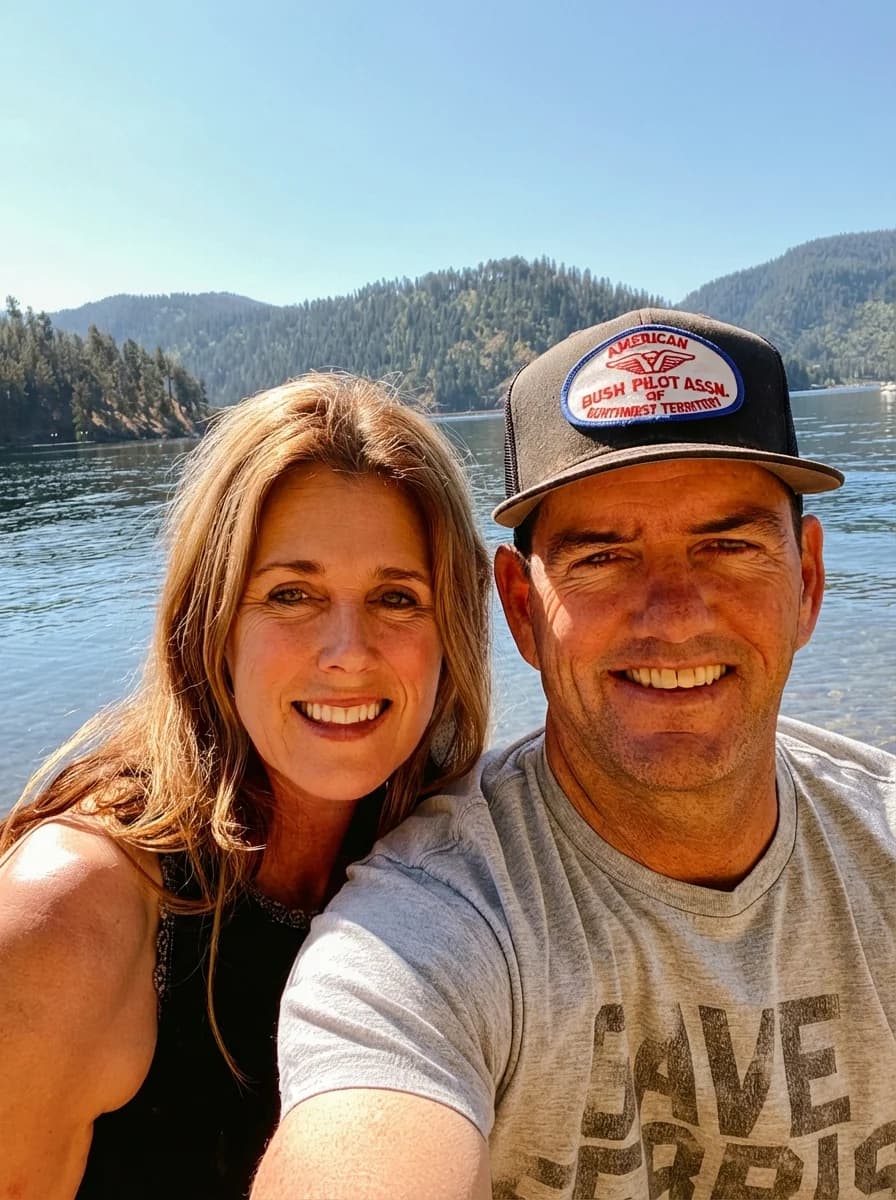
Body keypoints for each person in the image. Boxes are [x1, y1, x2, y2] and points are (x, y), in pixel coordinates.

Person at [254, 311, 896, 1200]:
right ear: (520, 609)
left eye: (728, 545)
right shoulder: (427, 931)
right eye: (603, 557)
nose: (674, 613)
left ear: (808, 583)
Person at [0, 372, 491, 1200]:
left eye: (396, 597)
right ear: (210, 625)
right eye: (291, 594)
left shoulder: (450, 860)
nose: (348, 650)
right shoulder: (74, 913)